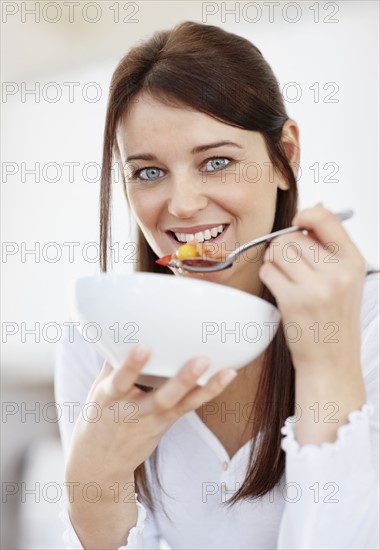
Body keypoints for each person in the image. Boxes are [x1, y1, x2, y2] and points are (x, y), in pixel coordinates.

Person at [55, 21, 379, 549]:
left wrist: (326, 364)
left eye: (218, 162)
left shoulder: (370, 326)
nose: (181, 205)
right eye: (148, 172)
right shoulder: (99, 345)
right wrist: (91, 489)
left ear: (285, 156)